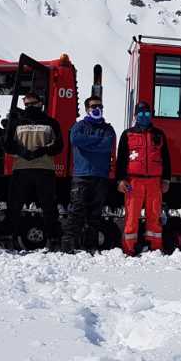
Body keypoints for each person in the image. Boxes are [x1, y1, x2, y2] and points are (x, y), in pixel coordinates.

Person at [5, 92, 64, 250]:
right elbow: (7, 144)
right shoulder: (16, 123)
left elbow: (59, 145)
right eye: (27, 105)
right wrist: (21, 151)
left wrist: (44, 150)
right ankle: (9, 237)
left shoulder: (51, 123)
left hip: (44, 169)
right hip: (21, 169)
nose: (30, 107)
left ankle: (54, 240)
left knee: (49, 207)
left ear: (40, 103)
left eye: (33, 104)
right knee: (14, 206)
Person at [115, 101, 171, 256]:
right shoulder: (127, 134)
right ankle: (129, 248)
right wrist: (120, 180)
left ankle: (155, 247)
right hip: (134, 181)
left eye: (147, 114)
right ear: (135, 116)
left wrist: (166, 179)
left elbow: (166, 158)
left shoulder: (159, 135)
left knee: (154, 215)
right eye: (141, 114)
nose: (144, 117)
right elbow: (121, 160)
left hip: (154, 181)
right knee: (132, 215)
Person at [62, 95, 115, 253]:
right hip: (81, 175)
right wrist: (97, 140)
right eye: (93, 106)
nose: (97, 108)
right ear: (87, 109)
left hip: (101, 176)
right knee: (76, 211)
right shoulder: (79, 126)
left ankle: (90, 246)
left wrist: (88, 143)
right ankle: (68, 246)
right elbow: (75, 139)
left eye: (99, 106)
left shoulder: (108, 129)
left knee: (95, 214)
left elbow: (107, 145)